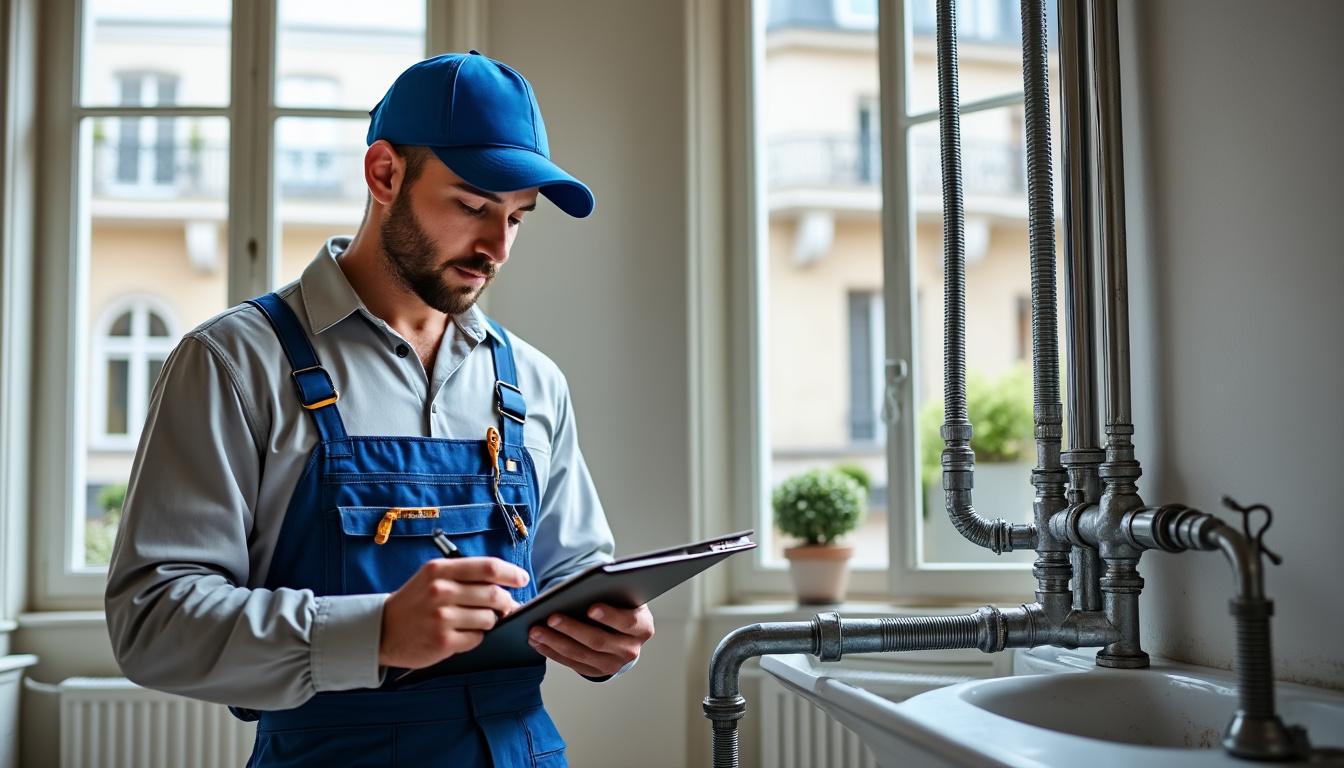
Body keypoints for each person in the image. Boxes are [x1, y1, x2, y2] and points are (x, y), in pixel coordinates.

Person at [105, 50, 654, 767]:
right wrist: (377, 630)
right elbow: (153, 621)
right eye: (472, 206)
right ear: (385, 174)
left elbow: (576, 570)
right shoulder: (233, 363)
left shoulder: (534, 382)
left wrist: (607, 635)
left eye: (518, 219)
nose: (497, 248)